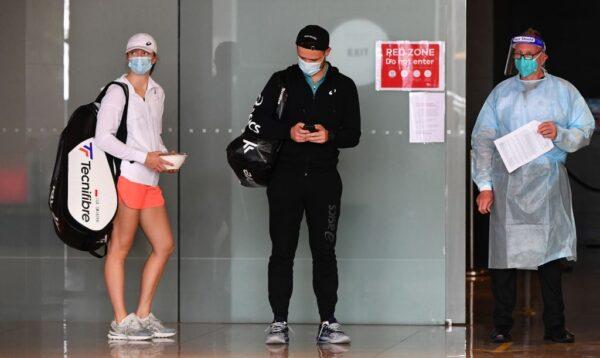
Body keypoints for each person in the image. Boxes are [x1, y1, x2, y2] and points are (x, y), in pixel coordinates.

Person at [472, 28, 594, 344]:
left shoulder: (563, 91)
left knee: (550, 260)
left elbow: (585, 128)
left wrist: (560, 133)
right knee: (504, 260)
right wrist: (484, 184)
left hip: (547, 183)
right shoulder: (502, 93)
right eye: (519, 56)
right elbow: (483, 138)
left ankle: (555, 326)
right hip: (508, 183)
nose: (524, 61)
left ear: (544, 57)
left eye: (530, 55)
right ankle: (501, 325)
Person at [248, 25, 361, 345]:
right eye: (301, 56)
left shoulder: (344, 85)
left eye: (312, 57)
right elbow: (257, 121)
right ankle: (278, 321)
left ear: (327, 53)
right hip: (285, 178)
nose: (306, 62)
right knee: (281, 250)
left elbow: (354, 134)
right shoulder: (281, 80)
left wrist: (329, 136)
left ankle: (329, 321)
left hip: (325, 180)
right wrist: (289, 131)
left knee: (325, 250)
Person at [95, 33, 177, 341]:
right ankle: (121, 321)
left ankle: (142, 315)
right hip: (128, 177)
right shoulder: (117, 91)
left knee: (164, 245)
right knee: (120, 248)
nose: (137, 57)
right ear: (126, 56)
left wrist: (164, 156)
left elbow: (151, 137)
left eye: (144, 52)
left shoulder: (157, 92)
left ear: (154, 58)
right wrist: (145, 157)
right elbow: (104, 139)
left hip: (149, 179)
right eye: (132, 52)